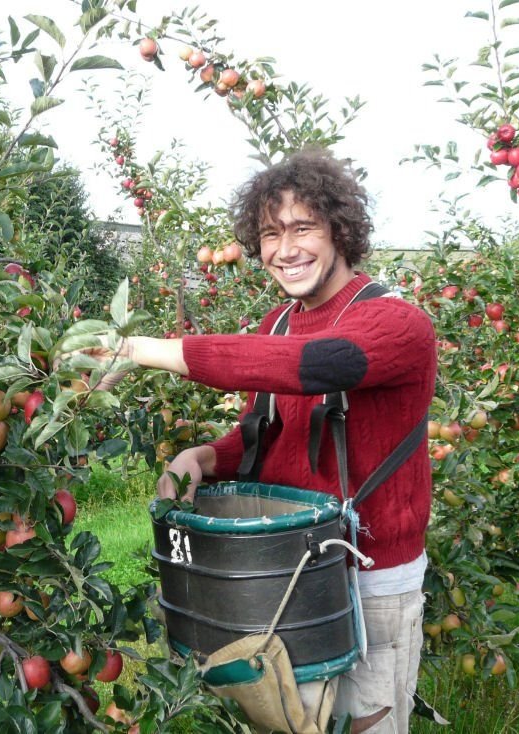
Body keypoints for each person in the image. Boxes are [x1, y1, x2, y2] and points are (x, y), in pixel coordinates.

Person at [97, 150, 436, 733]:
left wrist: (143, 350)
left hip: (368, 577)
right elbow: (265, 437)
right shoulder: (277, 325)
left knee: (366, 724)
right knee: (285, 723)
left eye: (303, 228)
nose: (286, 249)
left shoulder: (397, 323)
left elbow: (322, 364)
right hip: (279, 573)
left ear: (341, 230)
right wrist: (203, 456)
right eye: (270, 234)